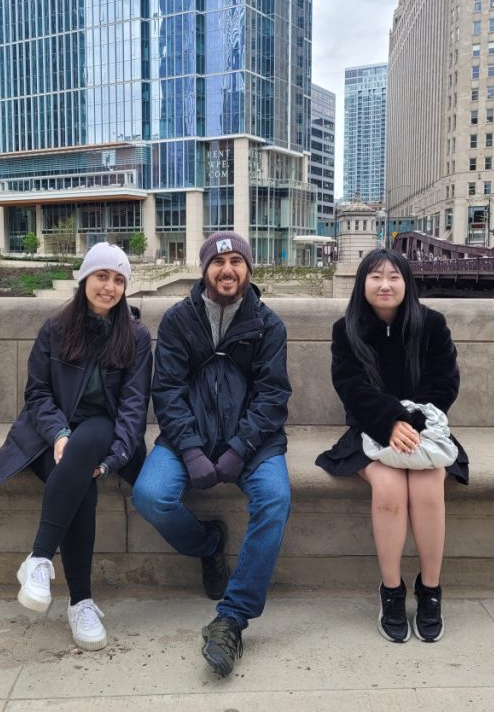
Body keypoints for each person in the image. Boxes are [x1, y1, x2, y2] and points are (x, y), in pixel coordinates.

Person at [133, 232, 291, 678]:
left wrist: (240, 448)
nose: (227, 270)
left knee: (276, 499)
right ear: (204, 269)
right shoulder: (179, 320)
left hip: (254, 442)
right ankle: (208, 544)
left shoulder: (269, 325)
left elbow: (273, 395)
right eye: (218, 262)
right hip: (190, 437)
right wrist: (190, 448)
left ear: (248, 270)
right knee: (150, 495)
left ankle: (232, 617)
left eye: (237, 261)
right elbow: (167, 390)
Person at [0, 242, 152, 651]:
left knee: (90, 439)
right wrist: (60, 434)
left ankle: (39, 558)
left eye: (119, 280)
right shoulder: (56, 329)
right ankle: (80, 603)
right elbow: (38, 393)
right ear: (84, 279)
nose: (109, 287)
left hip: (105, 435)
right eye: (102, 276)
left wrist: (113, 460)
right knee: (82, 487)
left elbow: (134, 407)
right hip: (49, 438)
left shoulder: (135, 336)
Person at [317, 248, 468, 644]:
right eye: (376, 277)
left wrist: (410, 424)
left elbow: (445, 383)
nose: (385, 285)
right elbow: (351, 387)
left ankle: (430, 589)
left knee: (428, 486)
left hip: (425, 431)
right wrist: (389, 421)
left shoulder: (432, 325)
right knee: (388, 488)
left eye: (394, 277)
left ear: (407, 283)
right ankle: (392, 590)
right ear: (362, 283)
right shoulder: (346, 330)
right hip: (369, 429)